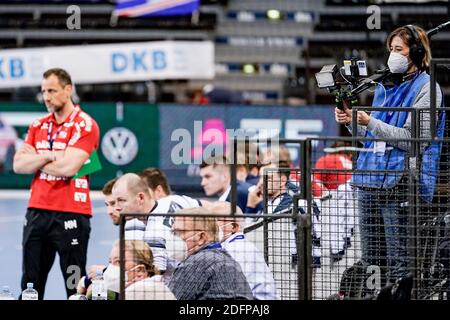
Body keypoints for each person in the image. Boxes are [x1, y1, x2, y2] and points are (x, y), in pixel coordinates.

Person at [335, 25, 445, 283]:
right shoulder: (384, 87)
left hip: (401, 183)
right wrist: (352, 120)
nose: (392, 55)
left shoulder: (428, 88)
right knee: (372, 260)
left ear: (416, 53)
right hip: (369, 181)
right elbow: (370, 138)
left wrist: (369, 121)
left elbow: (413, 141)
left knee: (399, 262)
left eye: (399, 49)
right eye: (390, 49)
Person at [13, 68, 100, 299]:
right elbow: (18, 165)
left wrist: (37, 158)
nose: (46, 97)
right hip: (37, 212)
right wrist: (51, 155)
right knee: (30, 284)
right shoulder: (38, 125)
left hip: (72, 213)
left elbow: (68, 168)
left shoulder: (85, 125)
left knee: (74, 285)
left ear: (68, 89)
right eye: (43, 91)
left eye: (52, 90)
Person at [168, 208, 254, 300]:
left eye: (178, 232)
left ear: (201, 237)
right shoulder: (223, 257)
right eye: (173, 232)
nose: (173, 238)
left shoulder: (197, 262)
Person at [211, 202, 279, 300]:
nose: (210, 225)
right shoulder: (231, 245)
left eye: (215, 220)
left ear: (233, 227)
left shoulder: (237, 249)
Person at [103, 240, 175, 300]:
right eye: (110, 262)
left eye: (118, 262)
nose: (111, 267)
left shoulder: (137, 293)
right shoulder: (156, 288)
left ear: (140, 270)